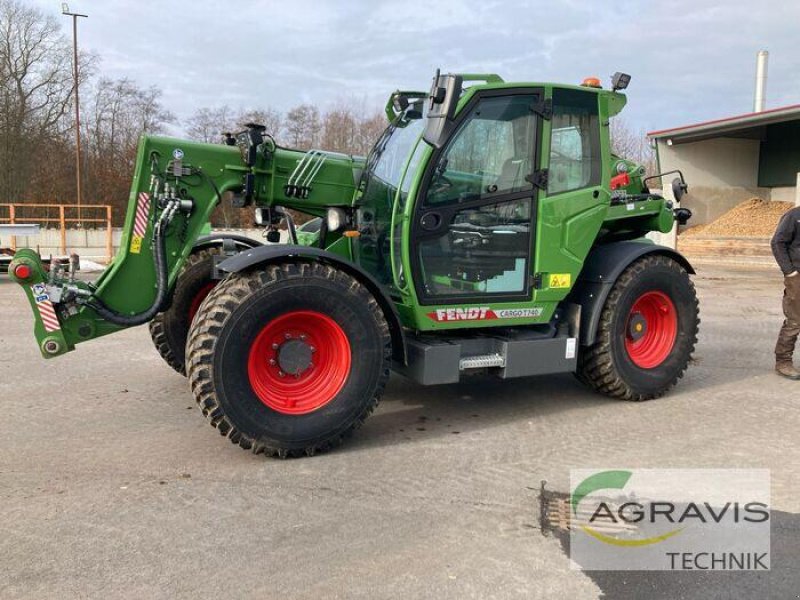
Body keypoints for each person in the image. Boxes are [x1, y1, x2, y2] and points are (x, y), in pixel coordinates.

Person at [770, 205, 800, 379]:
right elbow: (777, 242)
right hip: (797, 276)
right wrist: (790, 271)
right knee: (795, 320)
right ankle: (783, 361)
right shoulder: (794, 216)